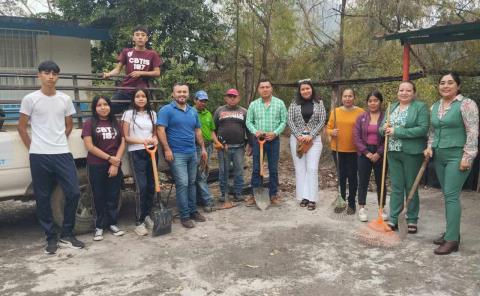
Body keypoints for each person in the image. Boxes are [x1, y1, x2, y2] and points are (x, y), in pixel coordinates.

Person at [17, 60, 84, 254]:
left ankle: (67, 235)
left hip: (62, 153)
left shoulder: (65, 99)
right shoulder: (30, 99)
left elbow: (69, 125)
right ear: (39, 75)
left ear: (58, 76)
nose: (50, 76)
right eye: (46, 73)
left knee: (73, 192)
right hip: (39, 155)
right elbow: (22, 127)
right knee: (43, 197)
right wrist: (34, 147)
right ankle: (50, 237)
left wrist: (58, 139)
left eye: (54, 73)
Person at [424, 72, 478, 255]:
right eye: (442, 83)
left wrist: (468, 157)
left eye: (450, 83)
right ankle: (450, 232)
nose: (445, 86)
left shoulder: (466, 104)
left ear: (458, 86)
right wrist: (430, 147)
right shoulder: (435, 106)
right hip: (439, 156)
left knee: (452, 196)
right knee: (447, 195)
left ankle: (452, 240)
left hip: (457, 156)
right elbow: (432, 131)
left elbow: (472, 131)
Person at [157, 83, 208, 228]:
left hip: (192, 152)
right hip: (176, 154)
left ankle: (193, 211)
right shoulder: (166, 110)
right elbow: (160, 130)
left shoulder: (192, 111)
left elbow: (197, 131)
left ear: (188, 94)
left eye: (184, 92)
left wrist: (203, 148)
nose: (182, 94)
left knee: (192, 183)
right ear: (173, 94)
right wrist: (167, 149)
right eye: (179, 92)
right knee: (183, 183)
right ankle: (184, 215)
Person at [380, 81, 429, 234]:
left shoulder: (420, 107)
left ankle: (412, 218)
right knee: (396, 187)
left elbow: (422, 129)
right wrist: (384, 130)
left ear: (414, 93)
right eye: (401, 90)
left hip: (411, 153)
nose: (404, 93)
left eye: (408, 90)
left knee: (411, 186)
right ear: (398, 92)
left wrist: (397, 131)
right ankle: (394, 219)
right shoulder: (391, 107)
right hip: (393, 152)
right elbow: (382, 128)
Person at [82, 96, 126, 241]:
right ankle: (99, 226)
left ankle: (112, 223)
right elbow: (89, 146)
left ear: (110, 106)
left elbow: (122, 143)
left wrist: (115, 162)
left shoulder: (116, 123)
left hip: (114, 164)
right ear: (95, 108)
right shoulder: (89, 123)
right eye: (99, 105)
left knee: (113, 195)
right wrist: (109, 158)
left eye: (105, 104)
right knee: (98, 196)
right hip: (96, 165)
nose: (103, 107)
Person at [122, 88, 158, 236]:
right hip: (136, 152)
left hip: (151, 151)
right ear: (134, 99)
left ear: (147, 98)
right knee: (141, 187)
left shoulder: (153, 114)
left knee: (151, 186)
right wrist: (143, 141)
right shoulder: (128, 114)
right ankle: (139, 221)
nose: (141, 99)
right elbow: (126, 136)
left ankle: (147, 215)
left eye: (143, 96)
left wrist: (154, 140)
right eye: (138, 96)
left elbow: (154, 133)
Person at [246, 78, 288, 205]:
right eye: (262, 87)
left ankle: (273, 194)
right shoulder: (253, 104)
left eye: (267, 87)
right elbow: (249, 121)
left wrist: (275, 133)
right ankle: (255, 195)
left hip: (273, 141)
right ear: (258, 90)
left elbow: (283, 121)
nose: (265, 89)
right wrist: (255, 131)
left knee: (273, 168)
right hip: (258, 141)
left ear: (271, 88)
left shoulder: (279, 103)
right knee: (257, 168)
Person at [103, 26, 162, 115]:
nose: (140, 37)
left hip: (142, 91)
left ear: (146, 38)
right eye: (137, 35)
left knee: (141, 115)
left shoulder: (152, 54)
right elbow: (117, 69)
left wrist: (141, 73)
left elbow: (157, 72)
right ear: (133, 38)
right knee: (109, 109)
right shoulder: (126, 52)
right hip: (126, 88)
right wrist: (108, 74)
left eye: (143, 35)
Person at [287, 79, 326, 210]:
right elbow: (290, 120)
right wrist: (298, 135)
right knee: (300, 169)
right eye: (302, 89)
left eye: (307, 88)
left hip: (314, 140)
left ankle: (312, 198)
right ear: (299, 91)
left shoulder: (319, 103)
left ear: (312, 89)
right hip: (297, 139)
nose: (305, 91)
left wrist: (311, 135)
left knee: (312, 169)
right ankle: (304, 196)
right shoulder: (294, 103)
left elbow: (322, 120)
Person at [326, 88, 364, 214]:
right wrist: (332, 132)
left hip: (354, 150)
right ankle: (341, 201)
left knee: (353, 177)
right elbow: (328, 128)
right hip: (338, 150)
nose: (347, 98)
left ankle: (352, 203)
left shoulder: (361, 112)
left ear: (354, 97)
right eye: (345, 96)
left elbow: (364, 129)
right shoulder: (335, 112)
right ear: (341, 98)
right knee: (341, 176)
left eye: (350, 96)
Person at [353, 90, 387, 222]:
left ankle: (381, 208)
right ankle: (361, 208)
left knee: (381, 181)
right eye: (370, 101)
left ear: (380, 102)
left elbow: (388, 138)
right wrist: (366, 153)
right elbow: (356, 137)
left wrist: (379, 153)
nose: (373, 103)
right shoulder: (361, 117)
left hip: (380, 153)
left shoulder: (386, 117)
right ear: (367, 102)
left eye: (376, 100)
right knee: (363, 181)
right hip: (364, 153)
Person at [213, 88, 248, 207]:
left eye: (234, 96)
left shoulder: (244, 111)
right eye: (230, 96)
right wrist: (217, 142)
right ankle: (224, 194)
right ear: (225, 98)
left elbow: (248, 129)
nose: (232, 98)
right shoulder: (219, 110)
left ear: (238, 98)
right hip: (223, 147)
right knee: (224, 171)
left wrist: (250, 145)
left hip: (239, 147)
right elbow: (214, 128)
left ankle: (238, 193)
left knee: (239, 170)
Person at [192, 90, 215, 212]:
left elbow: (212, 130)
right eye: (201, 100)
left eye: (205, 101)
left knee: (204, 173)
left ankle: (199, 199)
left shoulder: (208, 114)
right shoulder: (190, 112)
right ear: (195, 100)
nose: (203, 103)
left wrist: (216, 142)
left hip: (208, 146)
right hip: (196, 147)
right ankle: (207, 200)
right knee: (199, 174)